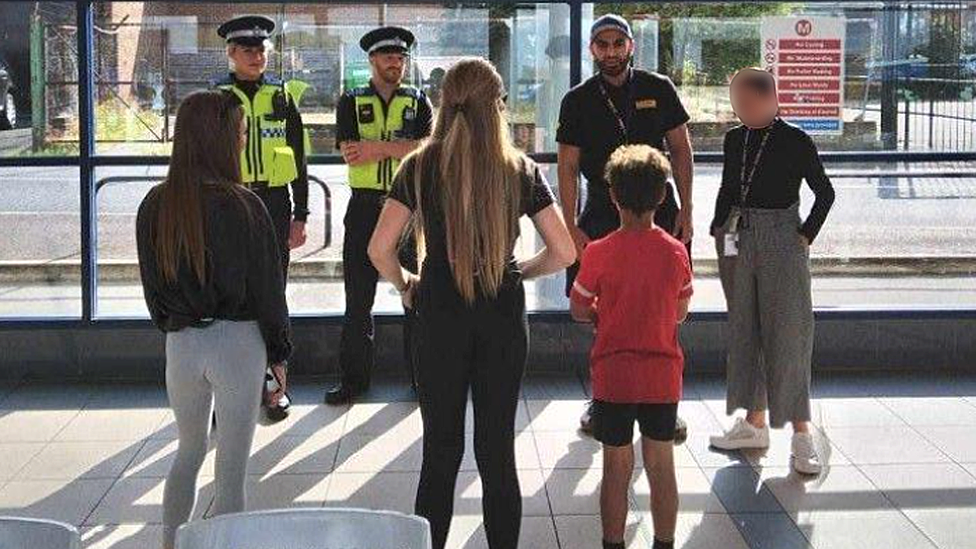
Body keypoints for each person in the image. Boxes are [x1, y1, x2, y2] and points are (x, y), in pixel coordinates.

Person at [368, 58, 576, 549]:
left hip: (437, 308)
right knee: (497, 453)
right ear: (497, 106)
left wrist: (406, 283)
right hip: (501, 310)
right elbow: (565, 250)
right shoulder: (519, 168)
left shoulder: (417, 165)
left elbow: (378, 249)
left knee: (439, 453)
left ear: (444, 103)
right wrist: (518, 271)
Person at [136, 90, 292, 549]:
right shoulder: (245, 206)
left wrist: (177, 326)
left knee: (187, 450)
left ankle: (170, 541)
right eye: (240, 133)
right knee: (232, 472)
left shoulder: (155, 205)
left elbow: (153, 294)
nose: (244, 142)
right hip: (239, 346)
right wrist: (280, 355)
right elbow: (269, 292)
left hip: (181, 345)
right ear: (221, 140)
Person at [556, 13, 694, 437]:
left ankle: (664, 399)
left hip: (658, 211)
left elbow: (682, 151)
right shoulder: (577, 99)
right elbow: (567, 166)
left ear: (631, 46)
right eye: (603, 44)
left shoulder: (658, 88)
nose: (611, 51)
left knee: (666, 306)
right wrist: (568, 224)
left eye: (619, 43)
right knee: (602, 309)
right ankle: (606, 398)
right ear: (592, 49)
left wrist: (687, 209)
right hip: (601, 212)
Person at [708, 67, 835, 475]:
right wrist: (716, 228)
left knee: (789, 333)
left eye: (745, 102)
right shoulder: (735, 139)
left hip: (782, 235)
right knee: (747, 329)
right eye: (735, 101)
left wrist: (805, 235)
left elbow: (825, 192)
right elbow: (729, 187)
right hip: (737, 234)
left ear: (770, 99)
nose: (739, 109)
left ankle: (801, 434)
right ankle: (754, 423)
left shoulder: (795, 140)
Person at [570, 144, 692, 549]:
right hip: (662, 376)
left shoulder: (599, 252)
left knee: (616, 467)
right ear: (662, 196)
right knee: (661, 464)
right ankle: (664, 541)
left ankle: (613, 542)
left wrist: (601, 312)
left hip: (614, 376)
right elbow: (680, 313)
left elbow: (578, 309)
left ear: (612, 195)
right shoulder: (675, 253)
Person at [327, 26, 434, 405]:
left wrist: (381, 147)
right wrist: (400, 148)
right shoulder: (351, 101)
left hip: (409, 208)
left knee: (417, 295)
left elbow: (428, 150)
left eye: (401, 57)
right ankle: (353, 382)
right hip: (365, 208)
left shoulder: (419, 99)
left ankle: (423, 379)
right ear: (372, 60)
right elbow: (353, 152)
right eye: (388, 56)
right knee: (358, 300)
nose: (395, 62)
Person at [214, 15, 308, 421]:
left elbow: (299, 160)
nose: (257, 56)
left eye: (262, 49)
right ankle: (229, 391)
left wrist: (300, 214)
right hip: (229, 203)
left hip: (273, 203)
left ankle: (275, 388)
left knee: (273, 297)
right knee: (228, 296)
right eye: (248, 50)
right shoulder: (217, 99)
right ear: (231, 54)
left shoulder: (282, 97)